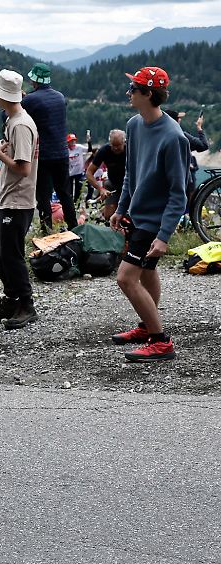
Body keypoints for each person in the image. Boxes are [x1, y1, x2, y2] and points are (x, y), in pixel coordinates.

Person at [109, 66, 189, 362]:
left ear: (148, 94)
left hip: (154, 222)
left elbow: (178, 193)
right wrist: (121, 208)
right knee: (148, 271)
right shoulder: (134, 124)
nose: (128, 93)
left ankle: (160, 340)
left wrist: (164, 235)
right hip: (138, 215)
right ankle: (147, 327)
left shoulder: (173, 138)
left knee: (126, 278)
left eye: (133, 89)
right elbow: (131, 172)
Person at [0, 69, 39, 329]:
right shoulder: (14, 120)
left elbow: (23, 167)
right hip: (10, 198)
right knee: (4, 256)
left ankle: (26, 304)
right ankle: (11, 299)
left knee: (12, 256)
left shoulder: (20, 124)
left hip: (19, 201)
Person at [20, 64, 74, 234]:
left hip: (43, 156)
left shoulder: (30, 100)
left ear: (34, 80)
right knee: (65, 194)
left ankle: (47, 232)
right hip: (62, 153)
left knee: (43, 196)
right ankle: (75, 229)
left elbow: (9, 115)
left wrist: (21, 99)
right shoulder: (60, 97)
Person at [85, 129, 126, 221]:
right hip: (113, 184)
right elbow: (89, 173)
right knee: (109, 217)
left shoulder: (131, 149)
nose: (115, 148)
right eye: (113, 145)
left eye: (118, 145)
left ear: (124, 142)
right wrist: (100, 189)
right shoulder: (104, 150)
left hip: (130, 185)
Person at [67, 133, 88, 207]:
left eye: (74, 141)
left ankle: (77, 204)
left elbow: (90, 150)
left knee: (78, 189)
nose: (73, 142)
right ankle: (70, 205)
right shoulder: (66, 150)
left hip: (79, 172)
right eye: (71, 141)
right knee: (69, 190)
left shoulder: (79, 147)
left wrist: (89, 142)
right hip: (69, 173)